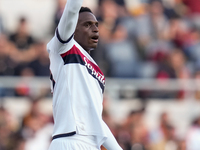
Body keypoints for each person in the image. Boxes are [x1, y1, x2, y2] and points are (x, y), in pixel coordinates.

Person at [47, 0, 123, 150]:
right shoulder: (64, 48)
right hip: (69, 140)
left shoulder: (97, 71)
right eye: (87, 25)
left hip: (90, 144)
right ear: (72, 29)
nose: (95, 29)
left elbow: (95, 119)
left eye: (96, 25)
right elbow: (71, 9)